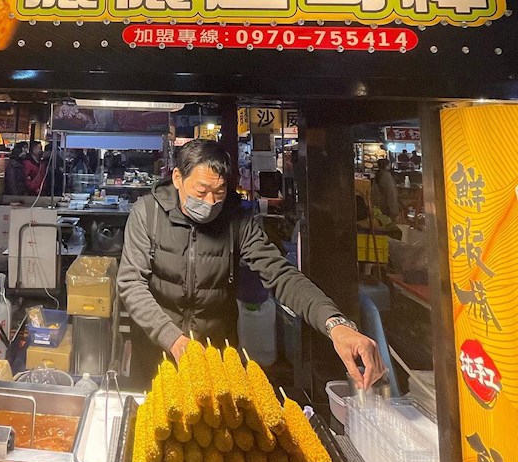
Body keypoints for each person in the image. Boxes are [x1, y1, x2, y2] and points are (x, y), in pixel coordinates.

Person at [117, 140, 384, 390]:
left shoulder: (238, 220)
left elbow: (281, 275)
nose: (210, 202)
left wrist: (335, 323)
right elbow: (131, 284)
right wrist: (172, 339)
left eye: (219, 192)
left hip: (215, 355)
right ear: (178, 178)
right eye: (201, 191)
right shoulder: (148, 213)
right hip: (155, 351)